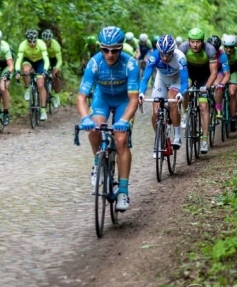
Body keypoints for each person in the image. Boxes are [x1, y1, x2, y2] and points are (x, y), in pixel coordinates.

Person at [77, 26, 139, 211]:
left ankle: (123, 191)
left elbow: (134, 99)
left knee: (121, 140)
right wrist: (84, 118)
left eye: (114, 50)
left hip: (123, 102)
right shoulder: (94, 63)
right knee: (95, 127)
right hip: (102, 98)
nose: (110, 54)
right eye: (105, 50)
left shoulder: (130, 64)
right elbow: (81, 98)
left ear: (121, 48)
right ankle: (98, 164)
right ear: (100, 48)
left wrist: (123, 121)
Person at [138, 34, 188, 151]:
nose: (164, 58)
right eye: (162, 55)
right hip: (161, 78)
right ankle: (159, 138)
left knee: (172, 101)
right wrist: (141, 92)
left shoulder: (180, 57)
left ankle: (177, 136)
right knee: (155, 112)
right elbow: (145, 78)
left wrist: (181, 93)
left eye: (168, 55)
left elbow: (185, 81)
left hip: (176, 80)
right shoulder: (153, 56)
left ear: (173, 51)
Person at [178, 27, 218, 154]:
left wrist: (206, 87)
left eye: (198, 42)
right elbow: (179, 68)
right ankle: (184, 113)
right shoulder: (183, 48)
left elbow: (214, 73)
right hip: (189, 74)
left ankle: (204, 140)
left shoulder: (210, 49)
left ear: (202, 42)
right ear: (188, 41)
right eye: (192, 41)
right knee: (185, 90)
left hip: (204, 77)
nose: (195, 45)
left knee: (203, 106)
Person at [15, 29, 50, 121]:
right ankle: (27, 89)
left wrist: (45, 70)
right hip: (28, 60)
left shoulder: (41, 44)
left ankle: (43, 110)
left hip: (40, 62)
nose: (32, 43)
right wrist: (17, 71)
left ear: (37, 39)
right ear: (27, 40)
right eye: (29, 41)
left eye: (34, 41)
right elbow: (18, 60)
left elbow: (46, 60)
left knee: (40, 85)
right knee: (26, 70)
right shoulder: (22, 45)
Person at [206, 35, 231, 120]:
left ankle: (218, 108)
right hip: (208, 71)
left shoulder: (222, 55)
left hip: (219, 71)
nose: (213, 51)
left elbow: (227, 74)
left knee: (217, 85)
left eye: (215, 49)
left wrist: (222, 84)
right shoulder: (204, 53)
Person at [41, 29, 63, 108]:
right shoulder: (40, 44)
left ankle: (56, 95)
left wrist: (56, 68)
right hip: (44, 59)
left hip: (54, 60)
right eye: (44, 41)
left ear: (50, 40)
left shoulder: (55, 45)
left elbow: (60, 60)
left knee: (55, 75)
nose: (46, 43)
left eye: (47, 41)